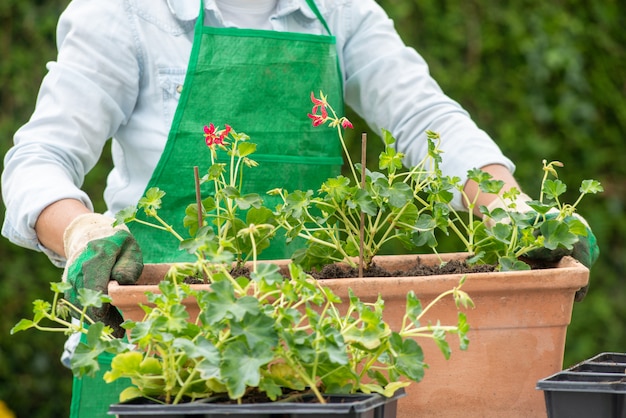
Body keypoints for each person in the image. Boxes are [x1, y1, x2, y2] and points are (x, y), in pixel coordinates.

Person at [1, 0, 597, 417]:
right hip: (157, 344)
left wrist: (513, 211)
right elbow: (41, 155)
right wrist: (79, 231)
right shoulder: (127, 12)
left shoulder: (337, 10)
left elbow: (423, 117)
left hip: (309, 350)